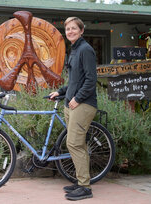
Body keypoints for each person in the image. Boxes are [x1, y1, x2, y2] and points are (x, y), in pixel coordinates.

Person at [49, 17, 97, 201]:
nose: (70, 31)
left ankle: (85, 187)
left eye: (74, 28)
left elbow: (91, 80)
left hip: (83, 104)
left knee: (74, 144)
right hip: (72, 103)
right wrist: (61, 92)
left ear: (81, 30)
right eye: (68, 29)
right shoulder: (74, 50)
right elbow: (74, 81)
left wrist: (77, 98)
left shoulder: (86, 50)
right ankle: (80, 181)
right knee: (78, 144)